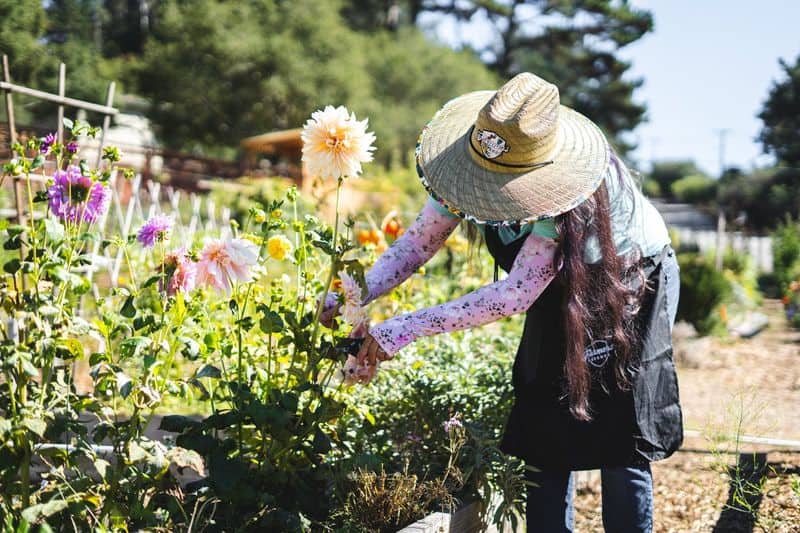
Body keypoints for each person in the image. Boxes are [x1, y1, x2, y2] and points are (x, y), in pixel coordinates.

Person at [322, 72, 683, 532]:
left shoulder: (569, 195)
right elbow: (415, 246)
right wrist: (351, 293)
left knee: (619, 430)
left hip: (628, 280)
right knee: (544, 415)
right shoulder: (466, 168)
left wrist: (401, 329)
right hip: (555, 285)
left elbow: (515, 293)